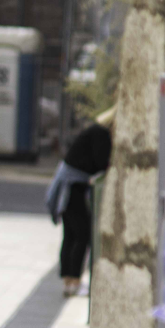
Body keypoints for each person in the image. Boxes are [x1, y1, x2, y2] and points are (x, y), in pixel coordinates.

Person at [46, 105, 114, 296]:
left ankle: (68, 280)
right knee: (82, 234)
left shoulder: (93, 131)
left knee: (70, 234)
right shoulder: (101, 134)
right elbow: (102, 163)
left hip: (69, 185)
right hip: (74, 187)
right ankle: (74, 280)